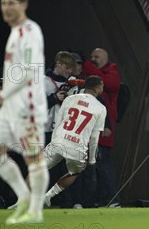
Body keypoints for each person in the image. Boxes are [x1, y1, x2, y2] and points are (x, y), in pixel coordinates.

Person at [0, 0, 49, 224]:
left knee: (34, 158)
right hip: (11, 105)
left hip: (27, 107)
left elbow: (31, 71)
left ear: (24, 5)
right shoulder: (14, 32)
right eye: (3, 3)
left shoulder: (30, 32)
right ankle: (23, 198)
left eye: (12, 3)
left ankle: (35, 211)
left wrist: (0, 96)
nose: (6, 8)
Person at [43, 76, 107, 207]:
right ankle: (48, 196)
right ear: (97, 89)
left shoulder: (70, 99)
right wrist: (92, 159)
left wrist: (53, 141)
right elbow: (94, 137)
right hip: (77, 146)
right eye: (102, 86)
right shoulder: (100, 108)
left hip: (59, 141)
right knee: (75, 172)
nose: (103, 88)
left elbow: (58, 122)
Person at [82, 48, 121, 207]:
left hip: (103, 128)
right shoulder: (98, 73)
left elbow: (105, 83)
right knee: (93, 167)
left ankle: (113, 199)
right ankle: (100, 199)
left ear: (104, 59)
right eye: (91, 57)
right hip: (92, 126)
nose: (93, 59)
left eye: (96, 57)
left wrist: (86, 65)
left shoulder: (112, 74)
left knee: (103, 165)